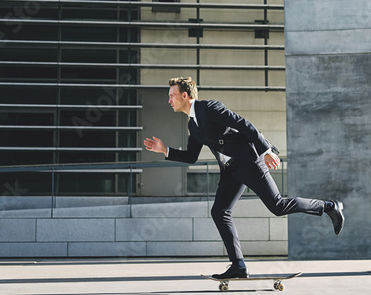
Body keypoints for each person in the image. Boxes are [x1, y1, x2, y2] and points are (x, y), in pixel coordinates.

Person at [143, 76, 344, 280]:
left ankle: (329, 206)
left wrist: (266, 150)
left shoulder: (209, 108)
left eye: (171, 96)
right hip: (231, 170)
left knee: (278, 206)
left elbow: (243, 124)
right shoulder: (193, 125)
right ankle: (238, 265)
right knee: (219, 211)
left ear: (184, 95)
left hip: (248, 162)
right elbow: (191, 156)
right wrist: (165, 150)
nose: (169, 100)